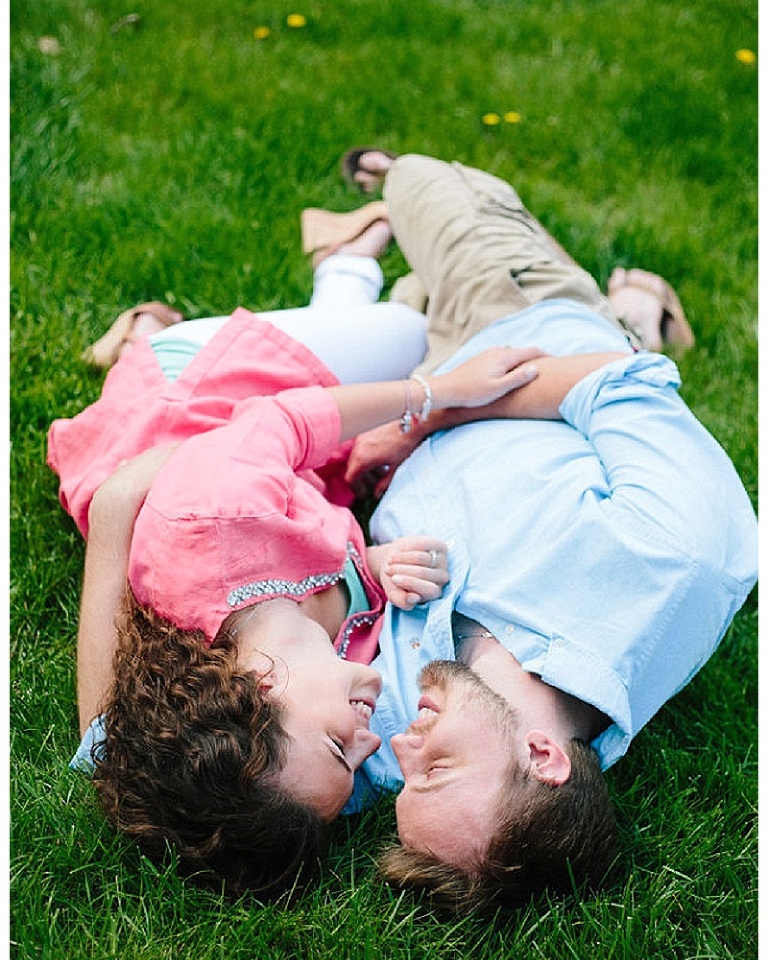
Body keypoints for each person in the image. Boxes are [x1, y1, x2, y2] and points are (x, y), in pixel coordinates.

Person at [48, 216, 542, 899]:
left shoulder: (213, 526)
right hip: (282, 468)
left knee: (412, 337)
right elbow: (341, 568)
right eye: (356, 763)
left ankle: (182, 321)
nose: (376, 746)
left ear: (260, 689)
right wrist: (377, 564)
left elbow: (284, 419)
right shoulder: (323, 654)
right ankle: (341, 260)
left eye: (342, 747)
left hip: (204, 398)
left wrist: (437, 394)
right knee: (382, 363)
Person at [332, 150, 758, 913]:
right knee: (423, 184)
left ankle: (634, 304)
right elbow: (610, 382)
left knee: (395, 302)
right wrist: (422, 415)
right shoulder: (677, 559)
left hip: (415, 389)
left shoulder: (404, 732)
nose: (398, 750)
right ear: (542, 755)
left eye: (408, 777)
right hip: (521, 326)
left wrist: (373, 557)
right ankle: (401, 183)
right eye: (436, 769)